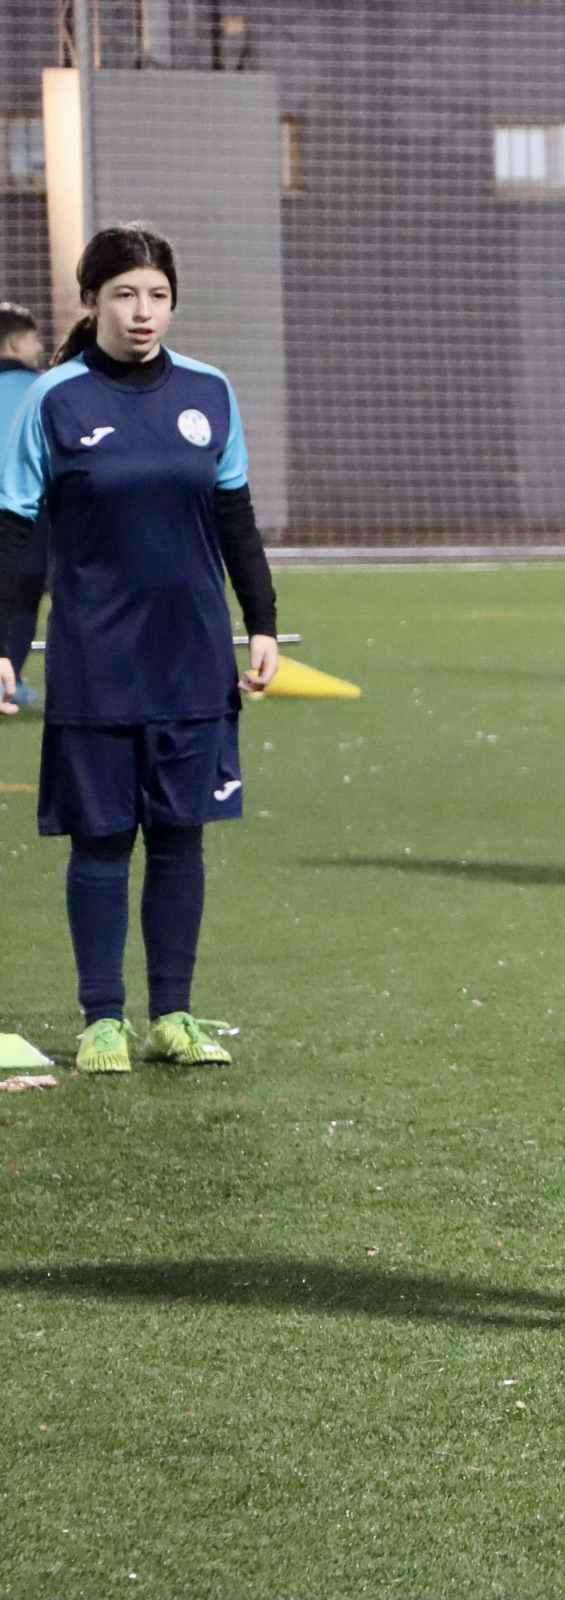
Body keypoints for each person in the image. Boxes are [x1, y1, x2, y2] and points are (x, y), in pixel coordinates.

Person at [0, 224, 279, 1073]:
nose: (142, 310)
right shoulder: (53, 400)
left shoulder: (211, 392)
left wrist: (261, 621)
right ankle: (102, 1020)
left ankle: (175, 1015)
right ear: (91, 301)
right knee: (103, 841)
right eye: (124, 293)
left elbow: (235, 520)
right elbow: (18, 541)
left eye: (156, 294)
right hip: (95, 658)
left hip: (193, 655)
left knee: (181, 838)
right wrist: (6, 648)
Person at [1, 302, 42, 695]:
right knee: (25, 594)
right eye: (34, 339)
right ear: (15, 343)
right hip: (24, 516)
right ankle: (8, 679)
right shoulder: (41, 389)